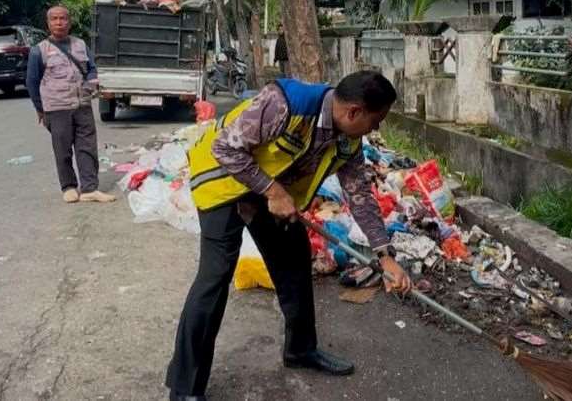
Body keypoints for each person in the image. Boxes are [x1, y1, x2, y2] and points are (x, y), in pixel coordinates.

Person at [166, 71, 412, 401]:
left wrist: (385, 256)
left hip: (268, 189)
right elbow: (226, 148)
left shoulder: (348, 139)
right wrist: (273, 190)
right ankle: (185, 387)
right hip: (222, 182)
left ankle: (300, 350)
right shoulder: (285, 104)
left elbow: (359, 195)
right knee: (214, 276)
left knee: (295, 256)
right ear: (354, 111)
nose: (376, 128)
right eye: (377, 119)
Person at [26, 6, 116, 204]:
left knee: (87, 148)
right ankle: (68, 187)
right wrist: (40, 109)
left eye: (63, 18)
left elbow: (92, 69)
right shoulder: (39, 50)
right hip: (56, 109)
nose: (59, 23)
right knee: (63, 149)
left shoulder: (81, 45)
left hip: (82, 106)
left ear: (69, 21)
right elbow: (32, 81)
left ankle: (90, 189)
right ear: (48, 23)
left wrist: (89, 86)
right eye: (55, 19)